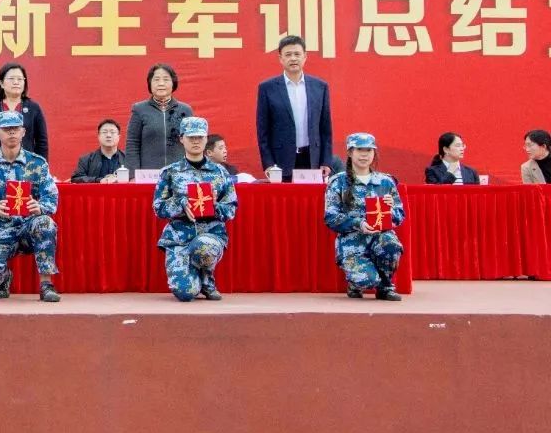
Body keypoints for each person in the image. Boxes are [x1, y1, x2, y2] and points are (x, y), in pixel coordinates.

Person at [0, 110, 61, 302]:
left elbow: (51, 197)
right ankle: (3, 278)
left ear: (23, 132)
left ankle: (46, 285)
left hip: (30, 226)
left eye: (15, 128)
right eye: (6, 129)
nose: (11, 132)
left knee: (45, 223)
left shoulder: (37, 163)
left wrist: (40, 207)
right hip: (1, 229)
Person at [152, 117, 238, 301]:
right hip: (179, 238)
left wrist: (214, 206)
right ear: (182, 139)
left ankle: (207, 280)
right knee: (185, 294)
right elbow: (159, 208)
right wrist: (180, 203)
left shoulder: (220, 172)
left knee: (203, 246)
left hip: (210, 234)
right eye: (191, 137)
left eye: (200, 137)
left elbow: (231, 209)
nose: (196, 141)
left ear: (206, 139)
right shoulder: (170, 172)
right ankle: (193, 278)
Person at [324, 133, 405, 300]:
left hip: (380, 237)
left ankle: (385, 286)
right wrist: (358, 224)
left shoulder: (386, 182)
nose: (364, 155)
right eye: (359, 150)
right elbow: (331, 217)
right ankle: (355, 285)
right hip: (352, 242)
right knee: (367, 280)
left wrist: (390, 210)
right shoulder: (338, 182)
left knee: (392, 244)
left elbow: (399, 215)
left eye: (369, 150)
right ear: (350, 152)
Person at [255, 35, 334, 182]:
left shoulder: (320, 87)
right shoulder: (267, 88)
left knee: (310, 197)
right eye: (288, 54)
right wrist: (268, 163)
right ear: (280, 58)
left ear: (305, 56)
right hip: (281, 161)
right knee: (284, 197)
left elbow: (325, 129)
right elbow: (263, 131)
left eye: (297, 54)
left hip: (312, 159)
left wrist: (326, 161)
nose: (293, 58)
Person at [0, 62, 49, 163]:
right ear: (1, 83)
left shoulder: (34, 108)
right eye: (11, 79)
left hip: (27, 166)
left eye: (20, 79)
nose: (16, 82)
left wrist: (40, 167)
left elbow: (42, 143)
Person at [123, 63, 193, 171]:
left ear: (173, 83)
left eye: (166, 79)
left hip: (179, 173)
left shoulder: (185, 110)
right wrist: (133, 174)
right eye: (156, 79)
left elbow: (193, 142)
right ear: (150, 83)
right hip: (148, 174)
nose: (161, 83)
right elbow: (132, 143)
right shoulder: (139, 109)